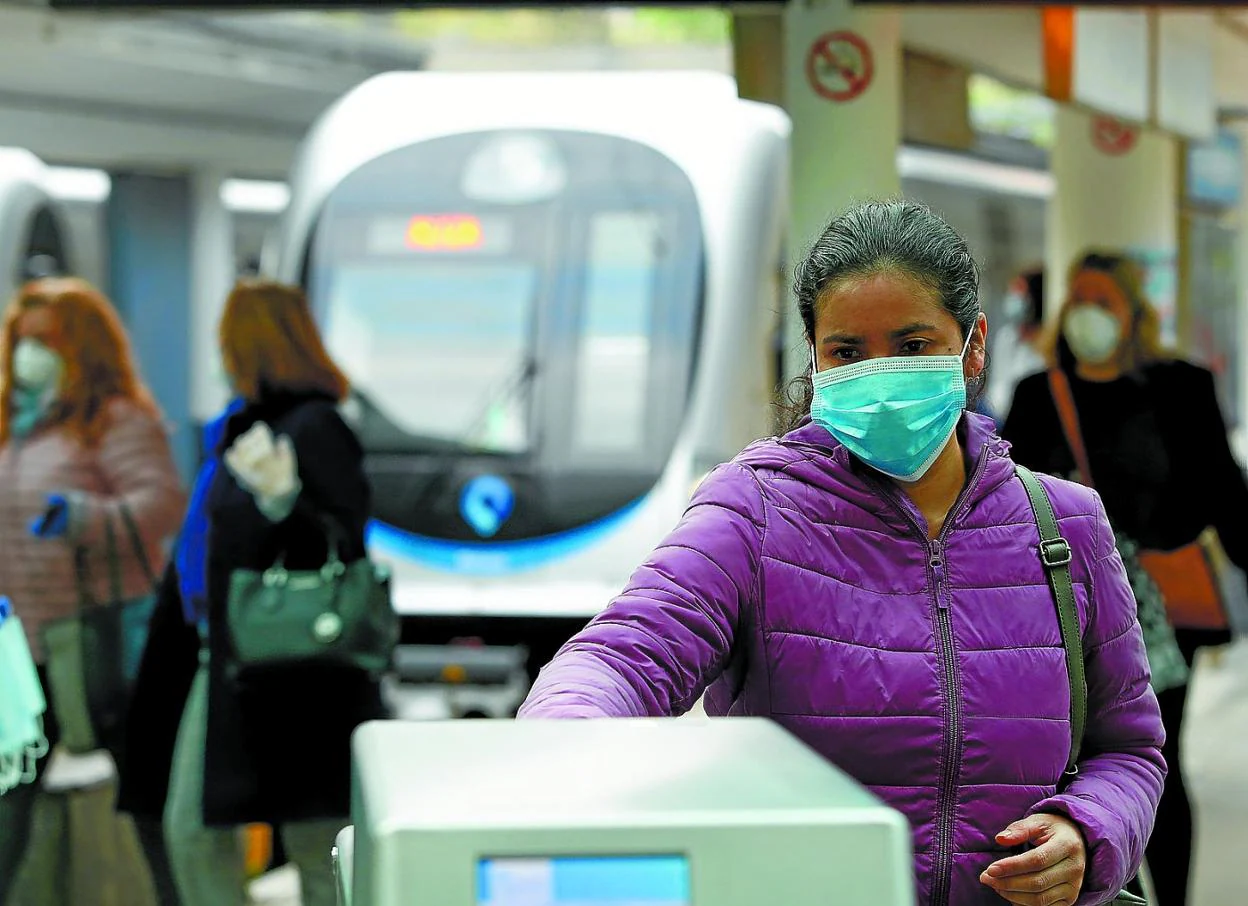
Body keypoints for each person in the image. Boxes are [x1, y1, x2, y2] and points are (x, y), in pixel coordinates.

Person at [520, 202, 1166, 906]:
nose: (881, 379)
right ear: (816, 357)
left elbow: (1129, 750)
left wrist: (1088, 833)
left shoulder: (1065, 526)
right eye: (848, 353)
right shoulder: (755, 511)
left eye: (913, 346)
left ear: (973, 345)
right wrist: (565, 745)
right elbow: (625, 653)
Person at [1002, 249, 1245, 906]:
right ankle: (1114, 887)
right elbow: (1003, 500)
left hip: (1161, 610)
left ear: (1133, 312)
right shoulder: (1038, 396)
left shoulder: (1178, 388)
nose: (1088, 316)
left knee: (1146, 756)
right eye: (1078, 301)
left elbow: (1226, 493)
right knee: (1077, 763)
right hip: (1062, 609)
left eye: (1103, 302)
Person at [160, 279, 387, 906]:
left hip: (299, 661)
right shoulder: (243, 428)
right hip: (239, 656)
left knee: (316, 841)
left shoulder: (314, 428)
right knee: (201, 827)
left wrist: (281, 506)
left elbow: (346, 538)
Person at [0, 277, 185, 903]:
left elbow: (161, 506)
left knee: (145, 800)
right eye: (21, 342)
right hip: (20, 649)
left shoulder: (115, 420)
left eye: (45, 342)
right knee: (9, 795)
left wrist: (83, 515)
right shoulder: (11, 424)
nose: (30, 355)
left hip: (97, 639)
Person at [987, 266, 1046, 421]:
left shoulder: (1048, 343)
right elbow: (997, 387)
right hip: (1000, 422)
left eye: (1019, 291)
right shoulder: (1006, 336)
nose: (1013, 297)